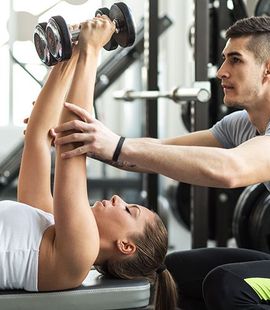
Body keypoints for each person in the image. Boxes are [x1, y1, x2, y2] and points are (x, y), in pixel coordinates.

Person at [53, 15, 270, 309]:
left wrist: (119, 146)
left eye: (235, 60)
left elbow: (232, 170)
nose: (222, 71)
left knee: (228, 284)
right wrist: (93, 140)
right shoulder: (241, 125)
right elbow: (156, 153)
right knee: (177, 271)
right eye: (224, 59)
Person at [0, 15, 177, 310]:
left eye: (130, 210)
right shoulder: (50, 224)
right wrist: (67, 57)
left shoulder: (79, 256)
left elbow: (72, 147)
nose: (120, 199)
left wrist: (92, 52)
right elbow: (37, 140)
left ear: (125, 245)